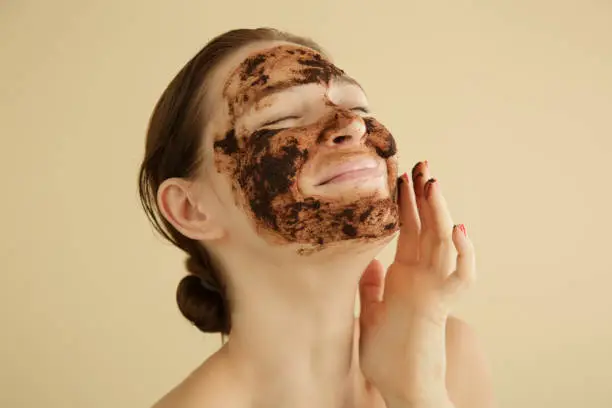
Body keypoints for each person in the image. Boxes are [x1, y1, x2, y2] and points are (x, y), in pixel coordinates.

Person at [138, 27, 495, 408]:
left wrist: (416, 393)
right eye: (280, 117)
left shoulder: (448, 358)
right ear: (191, 210)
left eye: (357, 106)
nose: (353, 125)